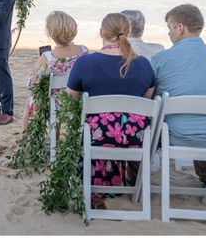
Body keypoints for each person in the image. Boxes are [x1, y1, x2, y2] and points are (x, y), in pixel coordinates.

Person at [66, 12, 155, 209]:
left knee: (90, 124)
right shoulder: (143, 64)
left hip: (97, 135)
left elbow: (69, 102)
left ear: (101, 33)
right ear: (128, 32)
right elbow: (146, 102)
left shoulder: (85, 62)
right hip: (135, 137)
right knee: (126, 121)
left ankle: (94, 186)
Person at [151, 3, 206, 185]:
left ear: (180, 28)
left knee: (145, 121)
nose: (168, 33)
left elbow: (151, 97)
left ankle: (134, 183)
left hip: (172, 137)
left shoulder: (160, 59)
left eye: (169, 28)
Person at [22, 11, 88, 131]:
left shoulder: (48, 57)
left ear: (51, 34)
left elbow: (32, 83)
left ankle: (25, 138)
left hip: (54, 104)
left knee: (30, 101)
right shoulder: (84, 51)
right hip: (78, 101)